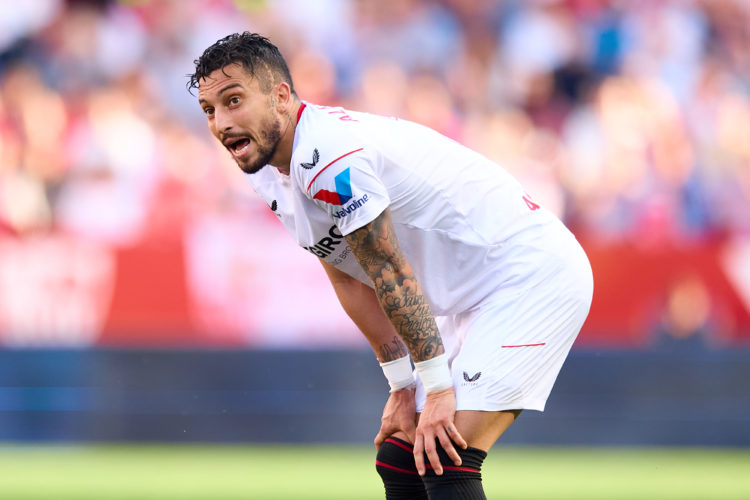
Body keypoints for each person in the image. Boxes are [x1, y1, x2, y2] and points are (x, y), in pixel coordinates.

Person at [189, 32, 593, 500]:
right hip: (473, 293)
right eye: (210, 111)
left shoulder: (331, 157)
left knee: (445, 460)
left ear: (281, 96)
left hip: (530, 274)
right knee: (400, 456)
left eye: (234, 100)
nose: (221, 123)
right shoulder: (270, 171)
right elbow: (347, 273)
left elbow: (389, 270)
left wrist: (437, 387)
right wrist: (402, 384)